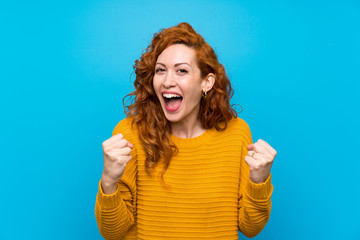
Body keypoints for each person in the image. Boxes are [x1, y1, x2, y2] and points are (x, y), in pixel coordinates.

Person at [95, 22, 277, 240]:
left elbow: (250, 228)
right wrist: (108, 181)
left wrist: (259, 180)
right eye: (160, 70)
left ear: (206, 82)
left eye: (181, 70)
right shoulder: (131, 133)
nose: (167, 81)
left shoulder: (236, 133)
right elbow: (112, 233)